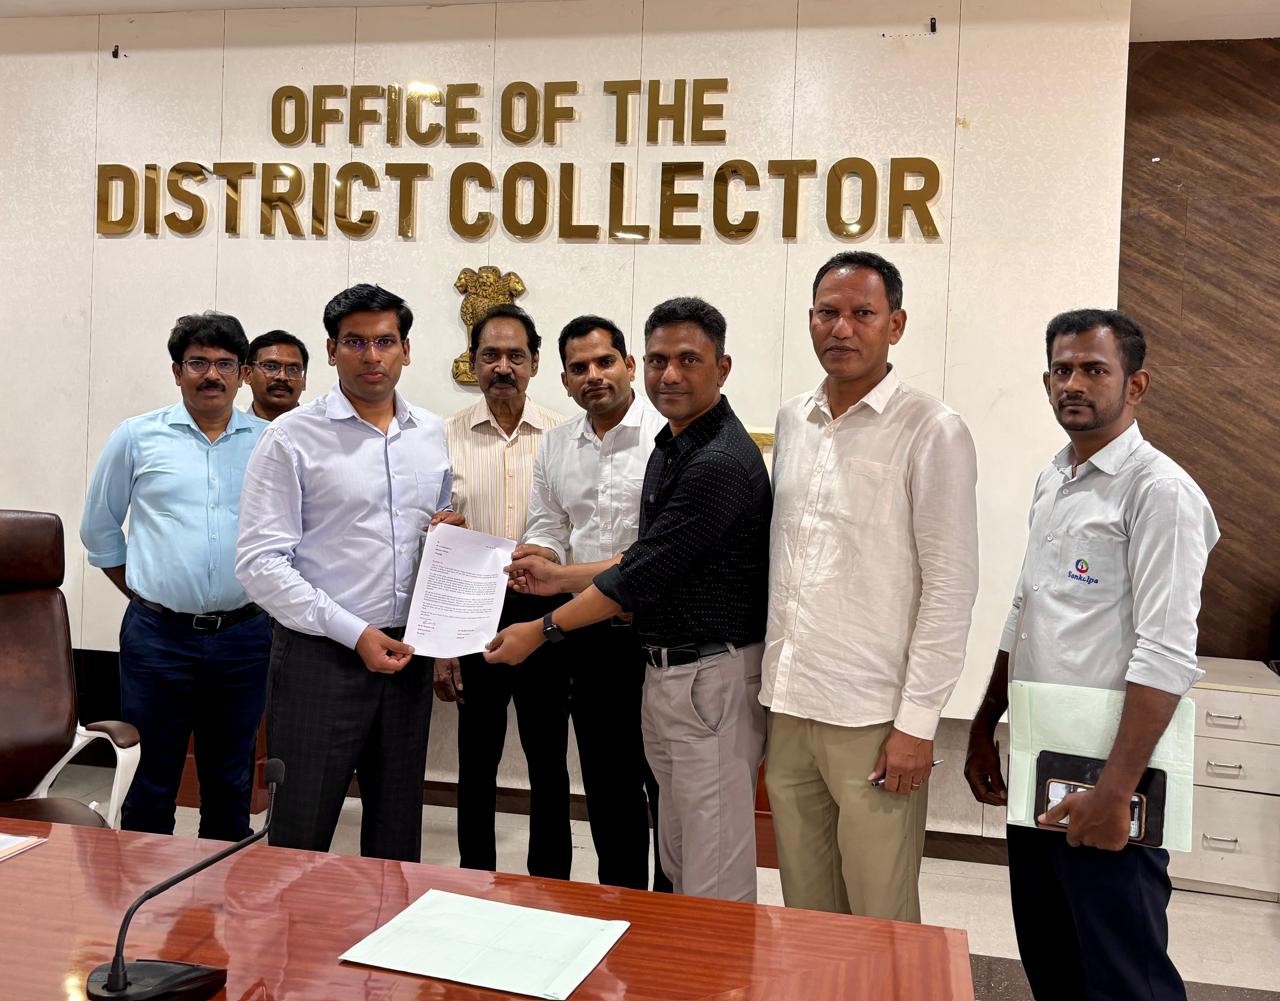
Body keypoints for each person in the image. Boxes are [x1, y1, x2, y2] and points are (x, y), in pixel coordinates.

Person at [964, 309, 1219, 1001]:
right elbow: (1025, 611)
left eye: (1094, 369)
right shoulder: (1055, 479)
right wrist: (986, 723)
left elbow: (1166, 654)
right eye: (1062, 369)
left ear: (1135, 385)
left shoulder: (1159, 492)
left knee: (1124, 973)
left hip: (1109, 775)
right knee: (1053, 957)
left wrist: (1114, 790)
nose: (1073, 383)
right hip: (1040, 763)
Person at [487, 296, 771, 904]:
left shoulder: (705, 455)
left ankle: (690, 944)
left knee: (703, 846)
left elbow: (645, 567)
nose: (671, 375)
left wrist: (547, 614)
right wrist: (543, 562)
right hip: (629, 647)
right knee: (631, 801)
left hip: (691, 659)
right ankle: (633, 920)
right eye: (662, 360)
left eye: (689, 360)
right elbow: (555, 525)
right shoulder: (669, 442)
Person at [761, 251, 979, 922]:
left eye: (863, 313)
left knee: (881, 914)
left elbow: (950, 586)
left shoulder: (932, 429)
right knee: (806, 907)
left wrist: (917, 723)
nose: (842, 328)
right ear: (810, 320)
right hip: (790, 703)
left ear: (896, 324)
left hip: (874, 715)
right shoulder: (794, 419)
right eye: (828, 313)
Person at [235, 283, 457, 861]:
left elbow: (433, 534)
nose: (371, 355)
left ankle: (388, 922)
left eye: (385, 341)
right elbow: (259, 563)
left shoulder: (431, 433)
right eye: (355, 342)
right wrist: (354, 633)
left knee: (396, 836)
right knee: (300, 836)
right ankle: (295, 925)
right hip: (321, 657)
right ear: (332, 351)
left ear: (406, 350)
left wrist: (445, 533)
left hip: (407, 656)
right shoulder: (290, 437)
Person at [80, 311, 270, 841]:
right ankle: (148, 888)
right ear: (176, 370)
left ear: (243, 373)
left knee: (230, 779)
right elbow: (99, 529)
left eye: (224, 364)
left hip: (244, 636)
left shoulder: (271, 442)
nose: (211, 375)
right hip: (157, 637)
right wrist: (147, 594)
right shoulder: (137, 437)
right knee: (151, 779)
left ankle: (220, 886)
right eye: (197, 362)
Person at [517, 314, 670, 891]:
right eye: (579, 368)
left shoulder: (667, 435)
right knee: (608, 785)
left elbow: (656, 552)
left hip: (658, 633)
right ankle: (621, 905)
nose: (593, 376)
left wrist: (557, 577)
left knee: (667, 786)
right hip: (589, 636)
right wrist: (538, 553)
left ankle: (671, 913)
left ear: (629, 365)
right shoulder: (556, 444)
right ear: (564, 380)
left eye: (605, 362)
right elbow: (549, 523)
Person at [437, 304, 571, 879]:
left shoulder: (565, 436)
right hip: (473, 612)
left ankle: (552, 881)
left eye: (516, 355)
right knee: (477, 755)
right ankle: (475, 876)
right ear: (472, 363)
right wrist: (442, 644)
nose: (503, 367)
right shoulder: (443, 438)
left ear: (535, 363)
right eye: (490, 355)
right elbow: (434, 546)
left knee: (549, 757)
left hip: (548, 614)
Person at [243, 330, 308, 421]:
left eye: (293, 369)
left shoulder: (322, 429)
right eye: (271, 366)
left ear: (304, 380)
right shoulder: (227, 428)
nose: (282, 377)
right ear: (247, 374)